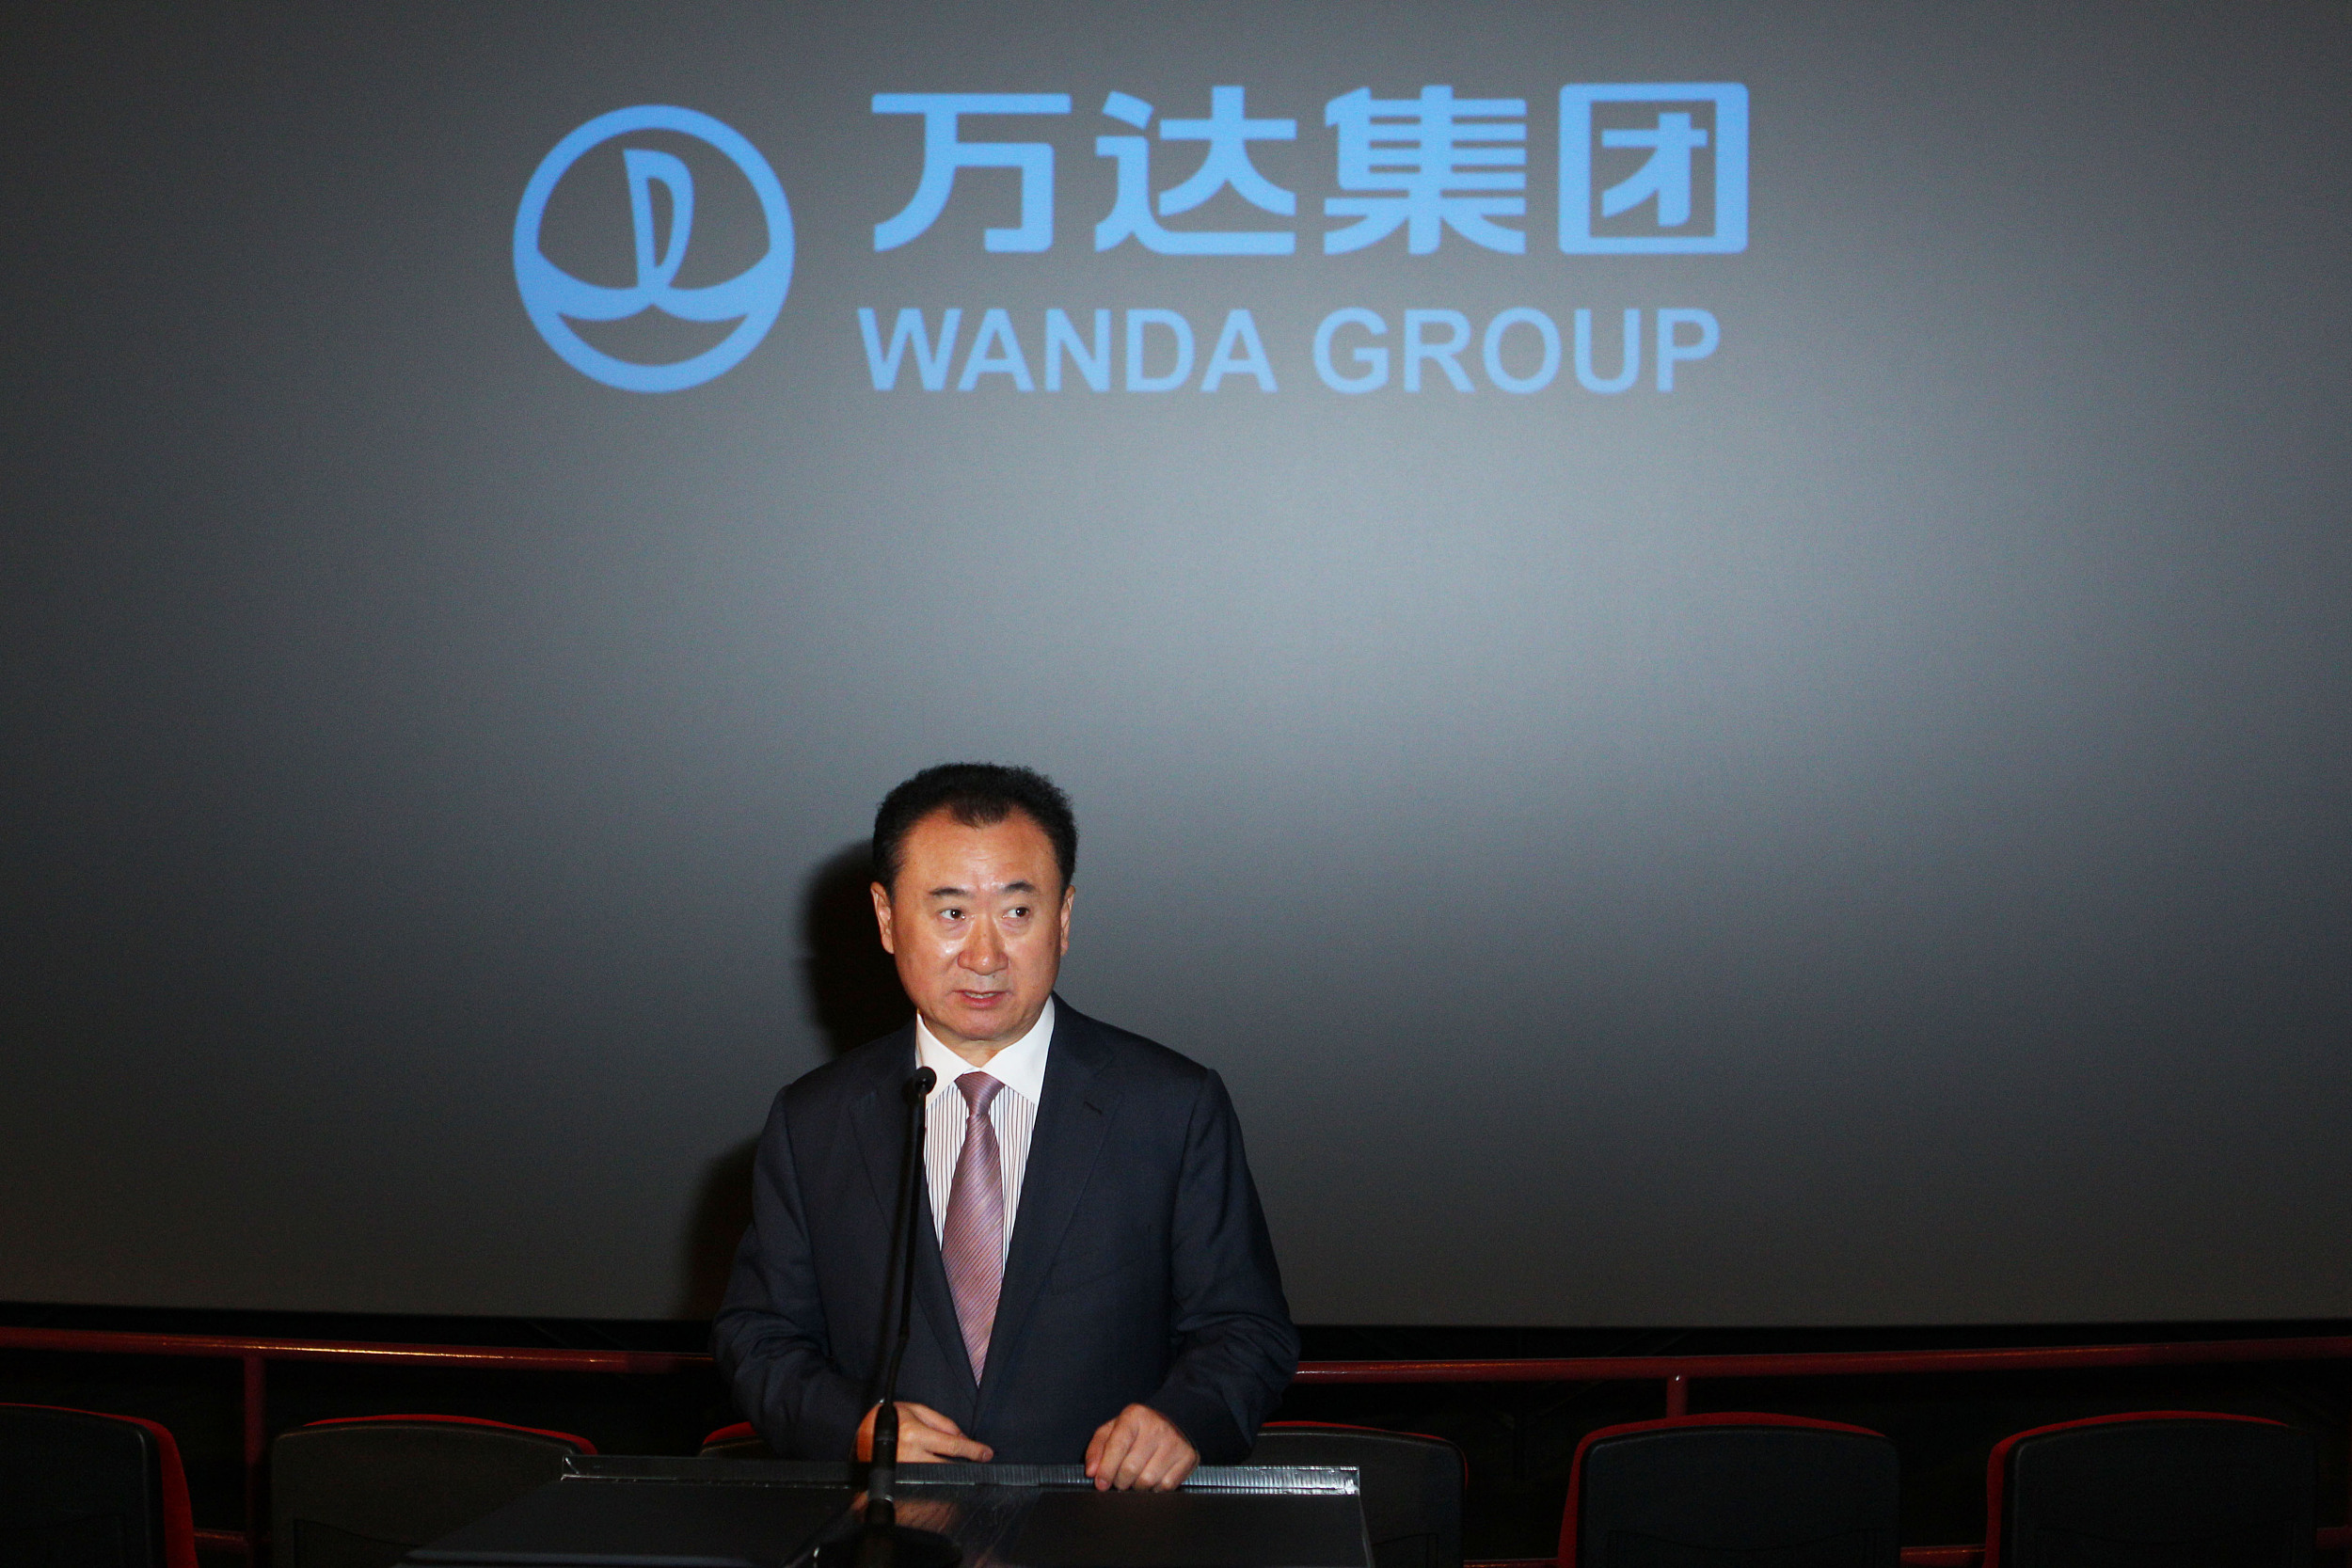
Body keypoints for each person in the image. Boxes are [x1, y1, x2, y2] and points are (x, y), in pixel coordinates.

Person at [714, 763, 1297, 1491]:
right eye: (951, 913)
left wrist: (1183, 1418)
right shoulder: (814, 1121)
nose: (985, 956)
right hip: (893, 1523)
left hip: (1104, 1524)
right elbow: (759, 1338)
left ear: (1064, 917)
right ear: (887, 918)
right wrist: (855, 1427)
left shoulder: (1171, 1107)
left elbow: (1247, 1331)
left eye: (1018, 911)